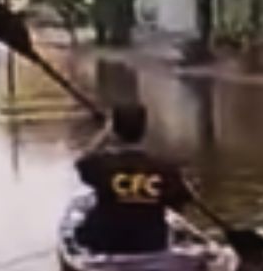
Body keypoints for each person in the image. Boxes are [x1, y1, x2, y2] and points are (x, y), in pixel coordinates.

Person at [74, 104, 193, 254]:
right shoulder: (165, 168)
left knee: (83, 229)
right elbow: (181, 201)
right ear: (144, 130)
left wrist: (105, 133)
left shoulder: (101, 164)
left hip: (106, 242)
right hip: (150, 244)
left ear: (114, 132)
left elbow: (82, 160)